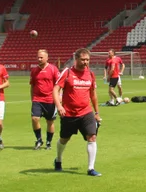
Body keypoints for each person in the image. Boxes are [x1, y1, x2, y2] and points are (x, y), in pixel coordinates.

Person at [54, 48, 103, 176]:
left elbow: (93, 95)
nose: (85, 62)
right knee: (64, 139)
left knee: (92, 137)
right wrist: (59, 106)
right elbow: (55, 90)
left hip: (86, 112)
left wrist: (97, 113)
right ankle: (58, 159)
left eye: (87, 59)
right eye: (83, 59)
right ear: (76, 59)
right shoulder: (68, 72)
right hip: (69, 113)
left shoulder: (91, 74)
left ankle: (91, 168)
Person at [29, 49, 60, 150]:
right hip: (37, 99)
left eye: (41, 57)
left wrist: (59, 98)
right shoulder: (34, 71)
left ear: (47, 58)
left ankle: (48, 142)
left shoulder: (53, 69)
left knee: (50, 121)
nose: (39, 59)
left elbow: (59, 85)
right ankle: (39, 139)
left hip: (50, 100)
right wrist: (32, 98)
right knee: (34, 119)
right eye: (38, 57)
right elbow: (32, 86)